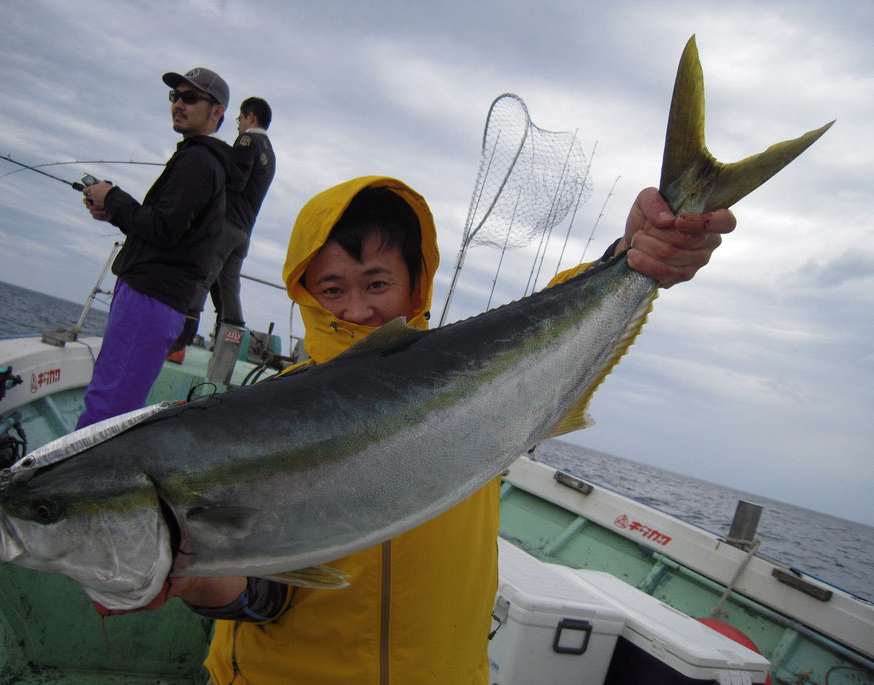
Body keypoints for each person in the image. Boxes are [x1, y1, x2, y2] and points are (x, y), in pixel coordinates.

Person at [135, 176, 735, 684]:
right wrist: (193, 579)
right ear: (306, 295)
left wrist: (634, 253)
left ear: (414, 281)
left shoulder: (467, 385)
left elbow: (543, 327)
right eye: (331, 289)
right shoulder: (267, 416)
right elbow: (258, 598)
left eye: (376, 283)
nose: (356, 309)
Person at [76, 67, 239, 429]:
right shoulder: (198, 160)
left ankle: (74, 484)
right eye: (175, 96)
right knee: (113, 400)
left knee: (107, 407)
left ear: (217, 113)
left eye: (190, 97)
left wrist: (114, 198)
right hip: (152, 298)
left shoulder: (199, 161)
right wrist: (112, 210)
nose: (179, 104)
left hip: (150, 298)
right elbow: (170, 227)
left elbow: (164, 229)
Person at [167, 96, 276, 360]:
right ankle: (228, 355)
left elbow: (235, 178)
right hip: (243, 233)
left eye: (239, 119)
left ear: (251, 117)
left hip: (226, 226)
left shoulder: (248, 141)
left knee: (201, 277)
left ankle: (177, 346)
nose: (238, 125)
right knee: (229, 291)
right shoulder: (270, 154)